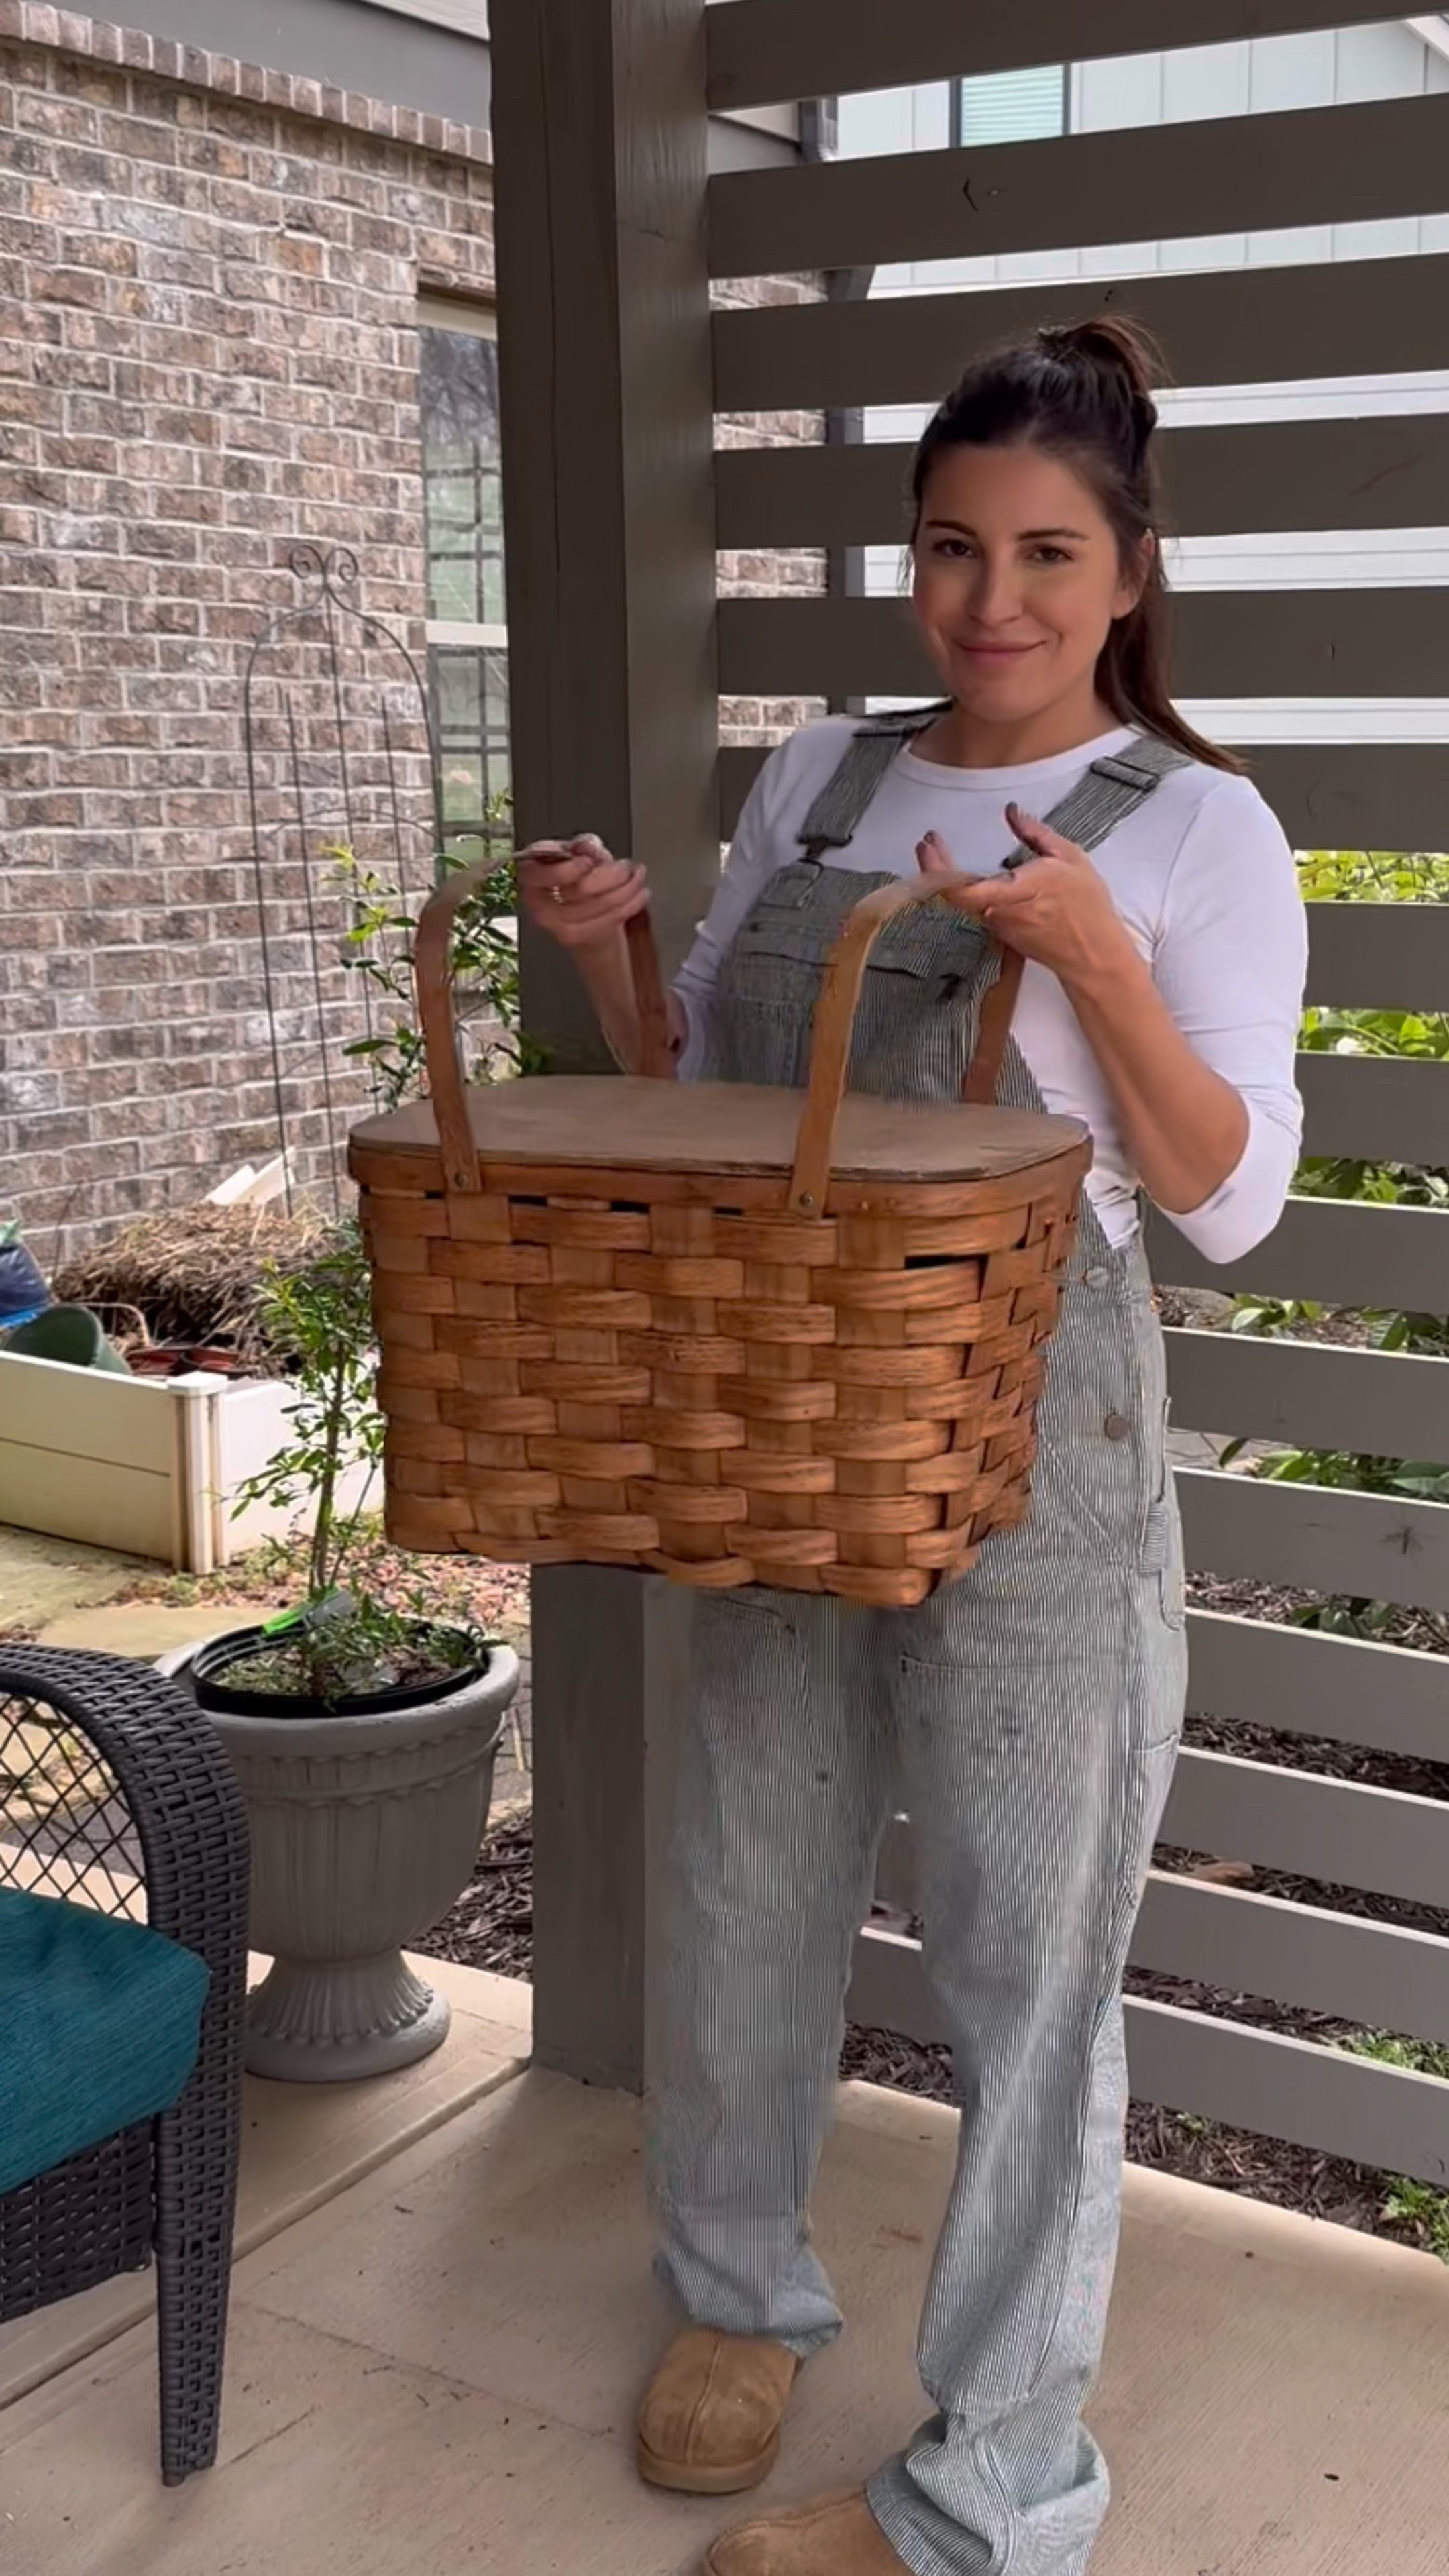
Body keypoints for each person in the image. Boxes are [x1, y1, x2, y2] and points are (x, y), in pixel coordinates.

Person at [517, 318, 1308, 2576]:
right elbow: (710, 1079)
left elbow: (1234, 1204)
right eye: (953, 548)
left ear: (1134, 569)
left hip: (1045, 1423)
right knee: (753, 1868)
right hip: (792, 1397)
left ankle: (995, 2486)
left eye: (1049, 553)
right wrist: (617, 948)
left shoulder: (1202, 829)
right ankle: (738, 2293)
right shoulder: (830, 776)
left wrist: (1098, 967)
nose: (994, 602)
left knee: (1031, 1953)